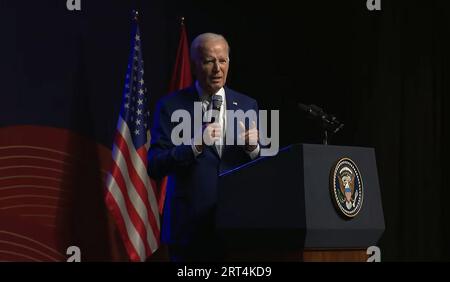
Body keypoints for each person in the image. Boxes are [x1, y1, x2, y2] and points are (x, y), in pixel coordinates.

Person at [148, 33, 260, 261]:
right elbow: (155, 165)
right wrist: (194, 146)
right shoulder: (170, 106)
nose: (217, 68)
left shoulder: (248, 105)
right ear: (194, 65)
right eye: (209, 61)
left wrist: (253, 149)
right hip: (189, 231)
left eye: (223, 60)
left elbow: (263, 169)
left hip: (237, 230)